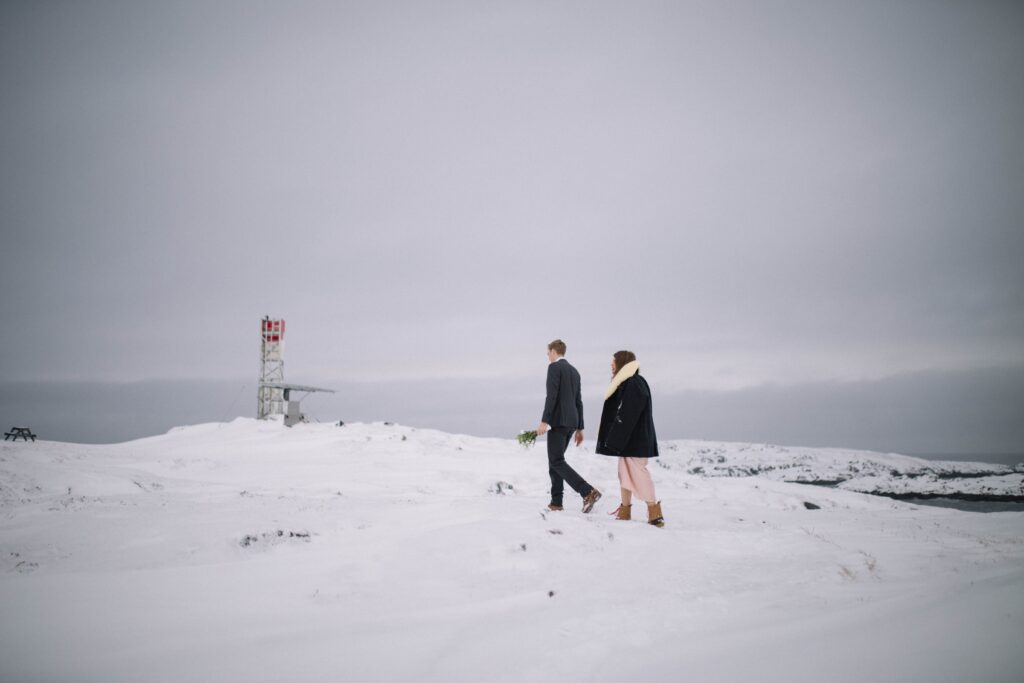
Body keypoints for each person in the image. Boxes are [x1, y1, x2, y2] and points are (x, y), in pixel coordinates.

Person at [595, 350, 664, 527]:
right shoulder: (630, 382)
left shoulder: (634, 383)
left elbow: (628, 414)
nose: (611, 365)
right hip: (630, 441)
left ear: (622, 363)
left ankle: (654, 512)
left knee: (639, 475)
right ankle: (625, 510)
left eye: (614, 362)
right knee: (624, 474)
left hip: (635, 441)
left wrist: (615, 438)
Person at [537, 339, 601, 513]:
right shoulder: (575, 372)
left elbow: (552, 396)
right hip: (572, 422)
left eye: (548, 352)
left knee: (556, 460)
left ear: (553, 351)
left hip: (558, 421)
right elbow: (578, 401)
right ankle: (556, 502)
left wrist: (544, 420)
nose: (547, 356)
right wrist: (580, 428)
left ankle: (587, 491)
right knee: (556, 461)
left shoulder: (554, 368)